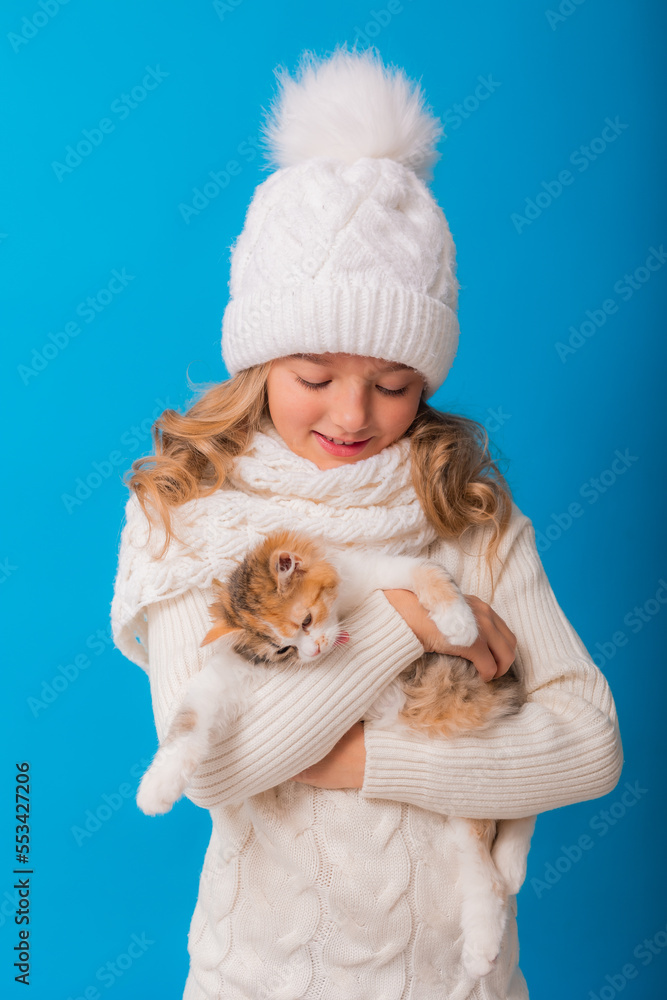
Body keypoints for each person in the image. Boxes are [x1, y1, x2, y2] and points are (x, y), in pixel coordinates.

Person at [110, 45, 624, 999]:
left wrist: (360, 759)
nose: (353, 417)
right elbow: (220, 766)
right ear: (259, 360)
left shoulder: (466, 511)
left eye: (393, 385)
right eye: (314, 377)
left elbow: (589, 743)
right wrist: (411, 620)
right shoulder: (187, 512)